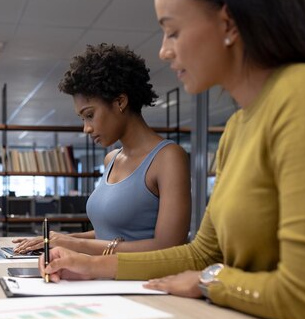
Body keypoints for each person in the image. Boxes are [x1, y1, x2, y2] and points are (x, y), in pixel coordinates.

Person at [39, 0, 305, 319]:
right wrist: (89, 266)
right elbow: (200, 253)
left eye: (172, 32)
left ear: (227, 23)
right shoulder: (237, 128)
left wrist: (209, 282)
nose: (164, 51)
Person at [14, 43, 191, 256]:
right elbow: (107, 235)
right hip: (104, 277)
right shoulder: (112, 159)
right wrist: (52, 240)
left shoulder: (168, 158)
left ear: (120, 102)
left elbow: (169, 249)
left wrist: (75, 245)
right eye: (82, 118)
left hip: (141, 285)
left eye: (90, 115)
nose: (86, 128)